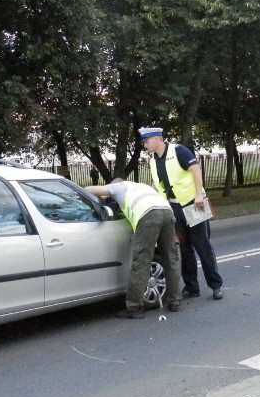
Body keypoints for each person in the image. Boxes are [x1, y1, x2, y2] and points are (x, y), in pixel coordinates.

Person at [140, 127, 224, 300]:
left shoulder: (179, 151)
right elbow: (160, 185)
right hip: (174, 208)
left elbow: (196, 170)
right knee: (184, 248)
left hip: (194, 203)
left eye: (146, 141)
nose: (145, 145)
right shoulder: (153, 160)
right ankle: (192, 287)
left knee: (202, 246)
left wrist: (199, 195)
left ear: (156, 139)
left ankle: (216, 285)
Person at [85, 178, 183, 318]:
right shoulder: (141, 186)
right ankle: (174, 301)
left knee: (141, 261)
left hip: (149, 216)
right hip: (167, 212)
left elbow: (89, 190)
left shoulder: (119, 187)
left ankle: (134, 307)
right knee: (171, 258)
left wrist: (103, 195)